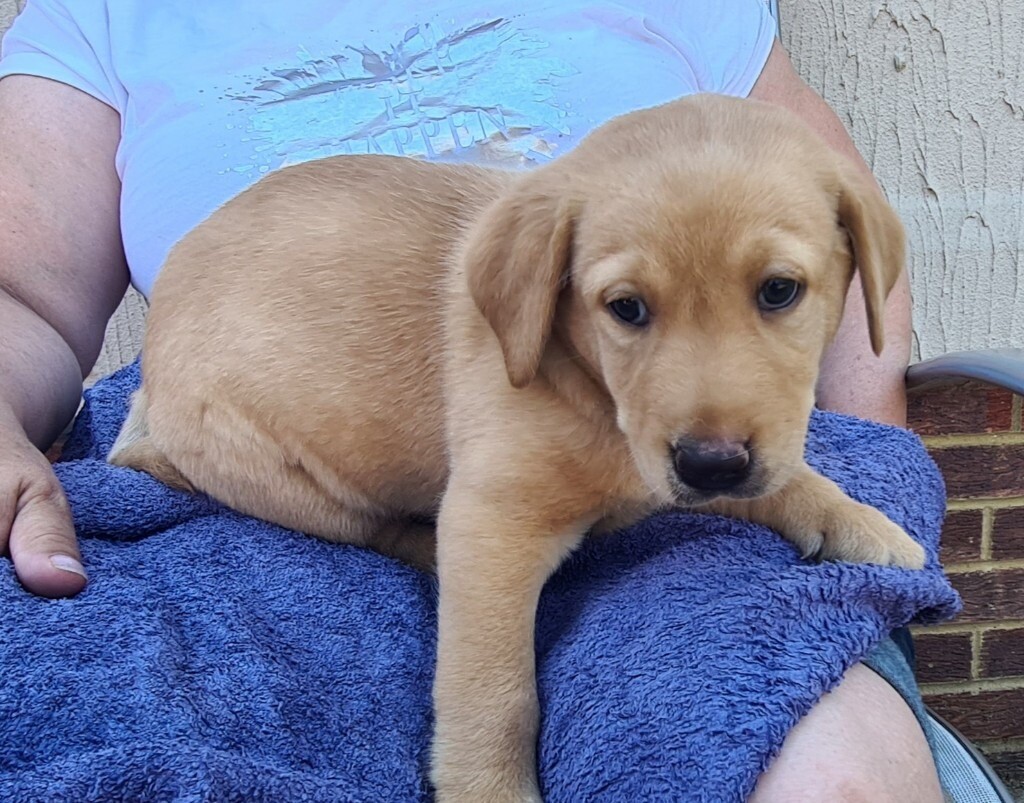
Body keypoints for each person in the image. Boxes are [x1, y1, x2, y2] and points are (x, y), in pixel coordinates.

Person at [0, 1, 939, 799]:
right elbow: (19, 296)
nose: (711, 414)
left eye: (777, 291)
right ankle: (386, 537)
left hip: (635, 551)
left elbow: (831, 219)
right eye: (626, 304)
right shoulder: (108, 11)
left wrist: (852, 465)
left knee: (808, 750)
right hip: (257, 449)